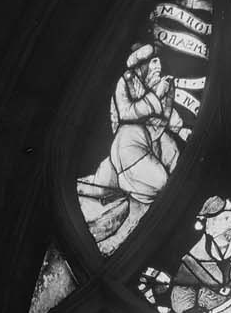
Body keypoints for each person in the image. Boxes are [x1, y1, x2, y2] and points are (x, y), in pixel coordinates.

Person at [77, 44, 185, 254]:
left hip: (154, 138)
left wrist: (179, 126)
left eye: (159, 61)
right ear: (141, 63)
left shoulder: (161, 84)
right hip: (129, 140)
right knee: (161, 184)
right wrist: (155, 96)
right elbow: (126, 113)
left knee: (176, 172)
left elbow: (166, 118)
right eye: (154, 61)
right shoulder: (125, 82)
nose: (158, 66)